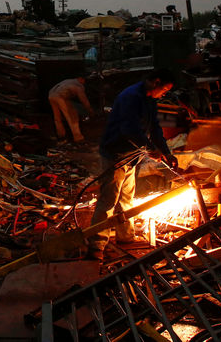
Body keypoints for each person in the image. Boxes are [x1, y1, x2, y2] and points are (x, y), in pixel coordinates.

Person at [86, 68, 179, 260]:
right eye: (165, 90)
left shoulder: (150, 99)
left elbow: (154, 128)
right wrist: (149, 149)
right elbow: (128, 129)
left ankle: (126, 237)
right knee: (108, 200)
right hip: (116, 153)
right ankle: (96, 246)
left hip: (131, 156)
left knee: (127, 197)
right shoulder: (131, 97)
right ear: (156, 82)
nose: (165, 94)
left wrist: (166, 152)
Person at [48, 76, 93, 143]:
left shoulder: (68, 80)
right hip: (61, 96)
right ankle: (78, 138)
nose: (84, 83)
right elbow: (84, 100)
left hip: (51, 95)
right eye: (84, 81)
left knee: (57, 117)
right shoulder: (78, 85)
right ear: (81, 79)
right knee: (72, 116)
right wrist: (90, 110)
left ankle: (61, 136)